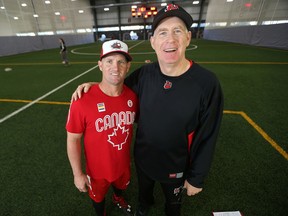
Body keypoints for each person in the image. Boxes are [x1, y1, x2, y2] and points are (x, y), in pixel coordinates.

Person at [71, 4, 224, 216]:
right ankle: (143, 206)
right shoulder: (144, 74)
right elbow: (116, 86)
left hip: (177, 164)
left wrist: (196, 177)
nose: (170, 39)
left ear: (188, 37)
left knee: (173, 205)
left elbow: (209, 134)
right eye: (162, 32)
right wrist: (93, 86)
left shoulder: (207, 83)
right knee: (145, 195)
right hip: (143, 159)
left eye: (177, 31)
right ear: (153, 41)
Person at [66, 39, 138, 216]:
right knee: (98, 198)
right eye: (109, 61)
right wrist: (77, 174)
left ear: (128, 66)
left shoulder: (133, 97)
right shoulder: (82, 100)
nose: (116, 67)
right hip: (97, 171)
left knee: (121, 186)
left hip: (123, 165)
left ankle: (118, 198)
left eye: (121, 61)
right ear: (100, 65)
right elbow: (73, 139)